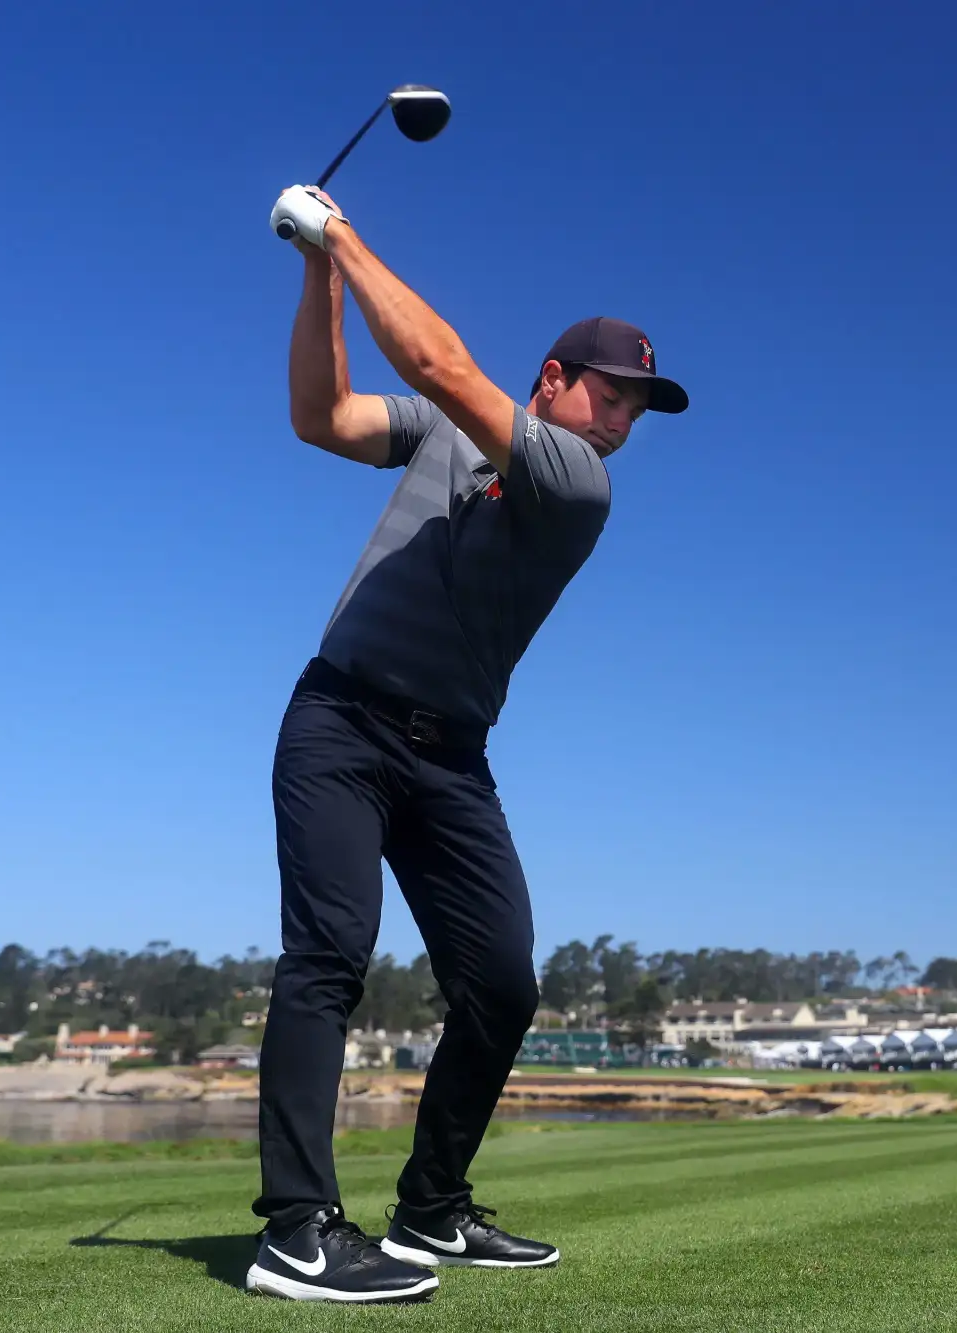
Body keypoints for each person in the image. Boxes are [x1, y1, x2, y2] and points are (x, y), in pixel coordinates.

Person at [241, 183, 690, 1304]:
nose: (623, 422)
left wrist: (336, 235)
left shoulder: (574, 486)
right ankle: (295, 1230)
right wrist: (314, 273)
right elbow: (322, 417)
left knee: (501, 984)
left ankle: (431, 1205)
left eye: (638, 409)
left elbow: (444, 368)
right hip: (338, 718)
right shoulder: (448, 434)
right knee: (329, 956)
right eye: (614, 394)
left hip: (451, 761)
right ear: (553, 376)